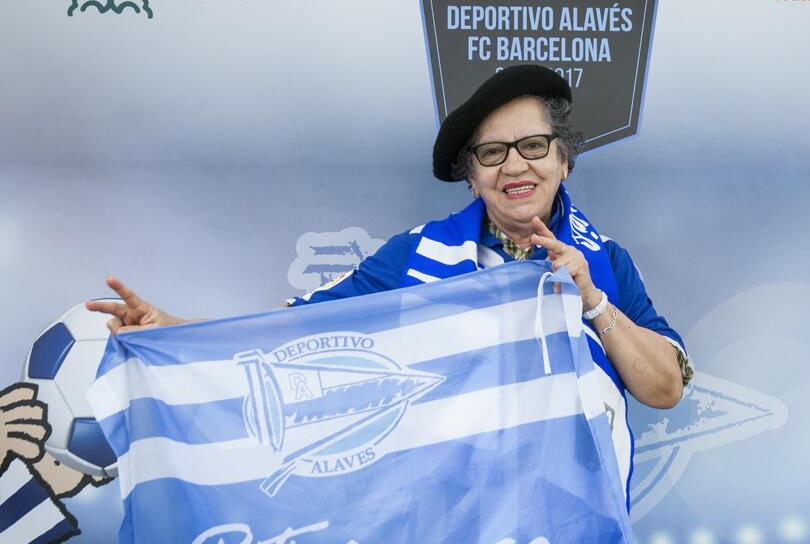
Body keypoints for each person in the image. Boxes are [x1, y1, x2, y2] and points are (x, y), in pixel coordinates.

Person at [87, 65, 692, 504]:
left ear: (563, 159)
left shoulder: (606, 262)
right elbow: (294, 333)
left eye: (533, 146)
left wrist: (592, 301)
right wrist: (172, 332)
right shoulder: (415, 257)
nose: (514, 165)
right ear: (472, 177)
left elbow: (665, 389)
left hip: (574, 538)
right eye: (491, 153)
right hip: (449, 540)